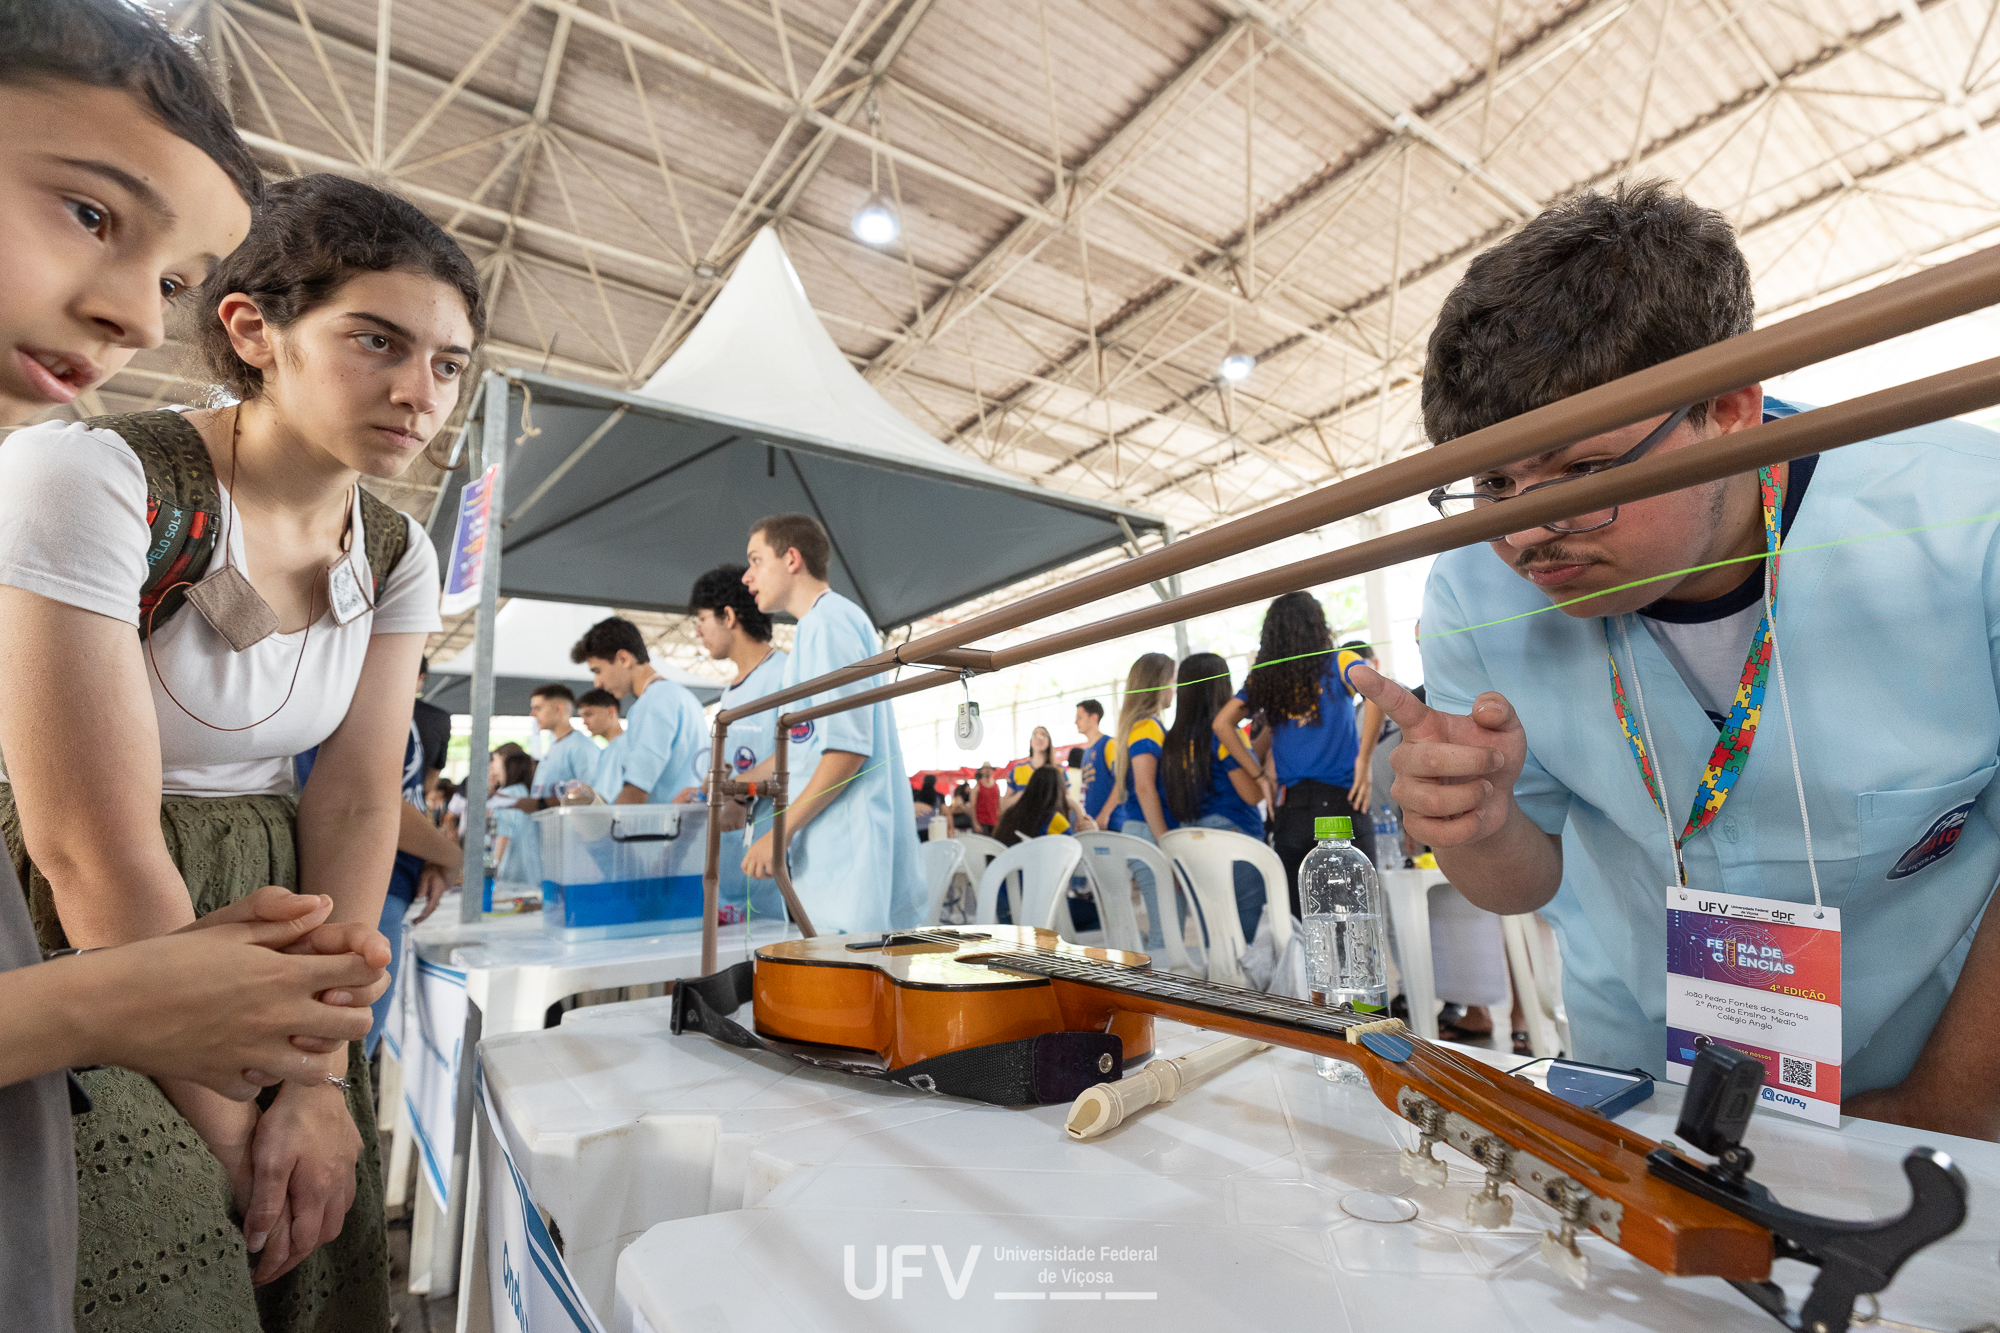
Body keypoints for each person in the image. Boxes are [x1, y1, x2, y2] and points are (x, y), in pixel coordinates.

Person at [1356, 179, 2000, 1138]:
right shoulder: (1471, 592)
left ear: (1730, 406)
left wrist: (1950, 1105)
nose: (1531, 535)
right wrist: (1479, 824)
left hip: (1927, 1087)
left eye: (1583, 471)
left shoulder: (1965, 519)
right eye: (1493, 483)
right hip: (1637, 1083)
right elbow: (1518, 883)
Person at [0, 90, 475, 1320]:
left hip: (279, 914)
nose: (419, 390)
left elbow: (362, 793)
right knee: (177, 1257)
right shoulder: (92, 476)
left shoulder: (396, 550)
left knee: (314, 1241)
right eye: (376, 340)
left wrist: (319, 1072)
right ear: (253, 328)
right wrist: (231, 1113)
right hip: (79, 924)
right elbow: (86, 846)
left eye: (447, 363)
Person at [738, 514, 923, 932]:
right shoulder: (813, 629)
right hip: (829, 858)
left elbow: (847, 751)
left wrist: (779, 831)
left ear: (791, 558)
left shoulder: (830, 623)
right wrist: (739, 784)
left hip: (851, 861)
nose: (748, 577)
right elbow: (806, 748)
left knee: (851, 984)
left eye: (755, 560)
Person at [1216, 593, 1380, 913]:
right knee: (1357, 917)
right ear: (1318, 625)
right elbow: (1376, 691)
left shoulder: (1265, 678)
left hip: (1290, 814)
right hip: (1341, 806)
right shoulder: (1340, 660)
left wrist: (1259, 775)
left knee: (1304, 924)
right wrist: (1364, 758)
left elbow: (1223, 724)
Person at [683, 563, 787, 917]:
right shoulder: (730, 694)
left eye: (701, 620)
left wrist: (736, 789)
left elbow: (800, 755)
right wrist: (707, 788)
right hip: (739, 862)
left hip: (781, 852)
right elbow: (736, 768)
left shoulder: (785, 675)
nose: (698, 632)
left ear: (728, 616)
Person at [1164, 653, 1268, 941]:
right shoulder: (1224, 735)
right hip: (1234, 841)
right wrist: (1267, 775)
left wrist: (1266, 734)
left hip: (1192, 845)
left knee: (1217, 942)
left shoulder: (1173, 741)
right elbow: (1251, 793)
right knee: (1246, 944)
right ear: (1221, 685)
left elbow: (1237, 764)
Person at [571, 617, 705, 805]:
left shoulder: (652, 703)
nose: (597, 683)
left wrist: (607, 830)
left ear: (623, 659)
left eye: (597, 670)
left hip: (665, 829)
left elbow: (636, 789)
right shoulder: (683, 696)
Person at [1103, 653, 1178, 950]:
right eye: (1172, 682)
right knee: (1166, 931)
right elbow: (1146, 789)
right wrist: (1166, 843)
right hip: (1149, 834)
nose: (1174, 689)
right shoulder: (1147, 727)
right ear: (1159, 685)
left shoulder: (1144, 726)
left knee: (1166, 926)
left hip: (1144, 832)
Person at [488, 751, 537, 889]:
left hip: (509, 870)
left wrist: (494, 868)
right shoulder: (525, 794)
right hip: (529, 869)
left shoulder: (506, 797)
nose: (494, 769)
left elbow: (503, 835)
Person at [575, 688, 625, 801]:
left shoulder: (626, 747)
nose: (584, 721)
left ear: (611, 711)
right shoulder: (606, 752)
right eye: (582, 716)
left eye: (589, 714)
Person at [1076, 699, 1116, 827]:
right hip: (1093, 825)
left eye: (1080, 717)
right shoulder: (1086, 753)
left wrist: (1105, 814)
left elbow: (1121, 782)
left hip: (1111, 824)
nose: (1075, 722)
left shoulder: (1109, 744)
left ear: (1094, 717)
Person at [999, 726, 1056, 813]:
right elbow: (1003, 805)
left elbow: (1066, 801)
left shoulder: (1057, 771)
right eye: (1035, 735)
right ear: (1031, 742)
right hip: (1023, 822)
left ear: (1049, 741)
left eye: (1043, 735)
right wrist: (1021, 795)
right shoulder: (1018, 769)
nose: (1039, 738)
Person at [973, 762, 1001, 834]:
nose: (987, 770)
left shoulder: (996, 786)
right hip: (981, 823)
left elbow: (999, 805)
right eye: (985, 768)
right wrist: (975, 823)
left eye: (989, 768)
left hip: (994, 822)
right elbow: (972, 806)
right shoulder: (977, 787)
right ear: (981, 771)